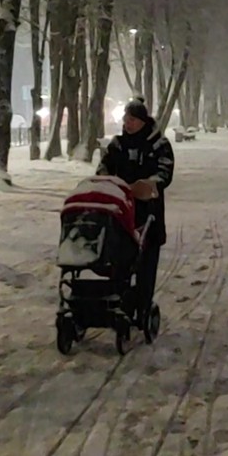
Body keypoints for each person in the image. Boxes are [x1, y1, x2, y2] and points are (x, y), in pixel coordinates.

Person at [98, 99, 175, 322]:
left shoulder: (158, 144)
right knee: (120, 260)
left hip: (147, 213)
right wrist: (106, 180)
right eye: (125, 119)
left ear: (142, 121)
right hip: (119, 213)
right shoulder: (117, 145)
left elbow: (165, 172)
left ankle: (142, 304)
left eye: (132, 119)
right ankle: (118, 301)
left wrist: (149, 184)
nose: (127, 123)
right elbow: (104, 167)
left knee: (146, 263)